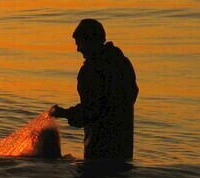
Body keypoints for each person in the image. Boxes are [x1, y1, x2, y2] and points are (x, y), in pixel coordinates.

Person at [51, 19, 138, 161]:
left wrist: (64, 113)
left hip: (100, 149)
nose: (78, 49)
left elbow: (90, 111)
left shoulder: (91, 70)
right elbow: (131, 95)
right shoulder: (123, 63)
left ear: (90, 41)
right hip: (124, 146)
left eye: (79, 43)